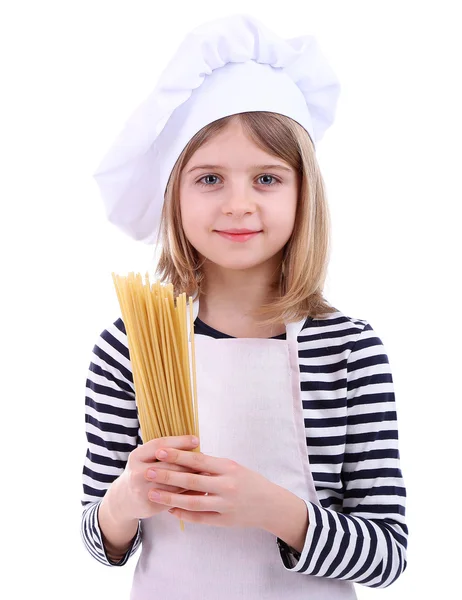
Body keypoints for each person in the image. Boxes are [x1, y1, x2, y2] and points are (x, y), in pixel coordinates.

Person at [81, 13, 408, 599]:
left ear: (304, 192)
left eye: (266, 178)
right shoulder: (129, 345)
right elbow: (97, 539)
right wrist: (126, 497)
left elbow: (387, 554)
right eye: (209, 179)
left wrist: (276, 510)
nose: (238, 204)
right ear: (172, 194)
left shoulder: (350, 350)